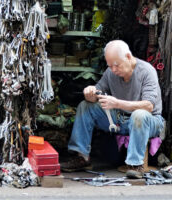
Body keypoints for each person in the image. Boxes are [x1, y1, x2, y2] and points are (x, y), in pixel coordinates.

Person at [61, 40, 165, 177]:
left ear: (128, 57)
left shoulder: (146, 71)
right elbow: (96, 94)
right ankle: (82, 157)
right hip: (121, 119)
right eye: (110, 66)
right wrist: (90, 93)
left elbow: (148, 106)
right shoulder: (111, 72)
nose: (113, 70)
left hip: (150, 121)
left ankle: (135, 164)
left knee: (139, 115)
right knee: (85, 107)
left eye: (116, 65)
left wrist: (116, 103)